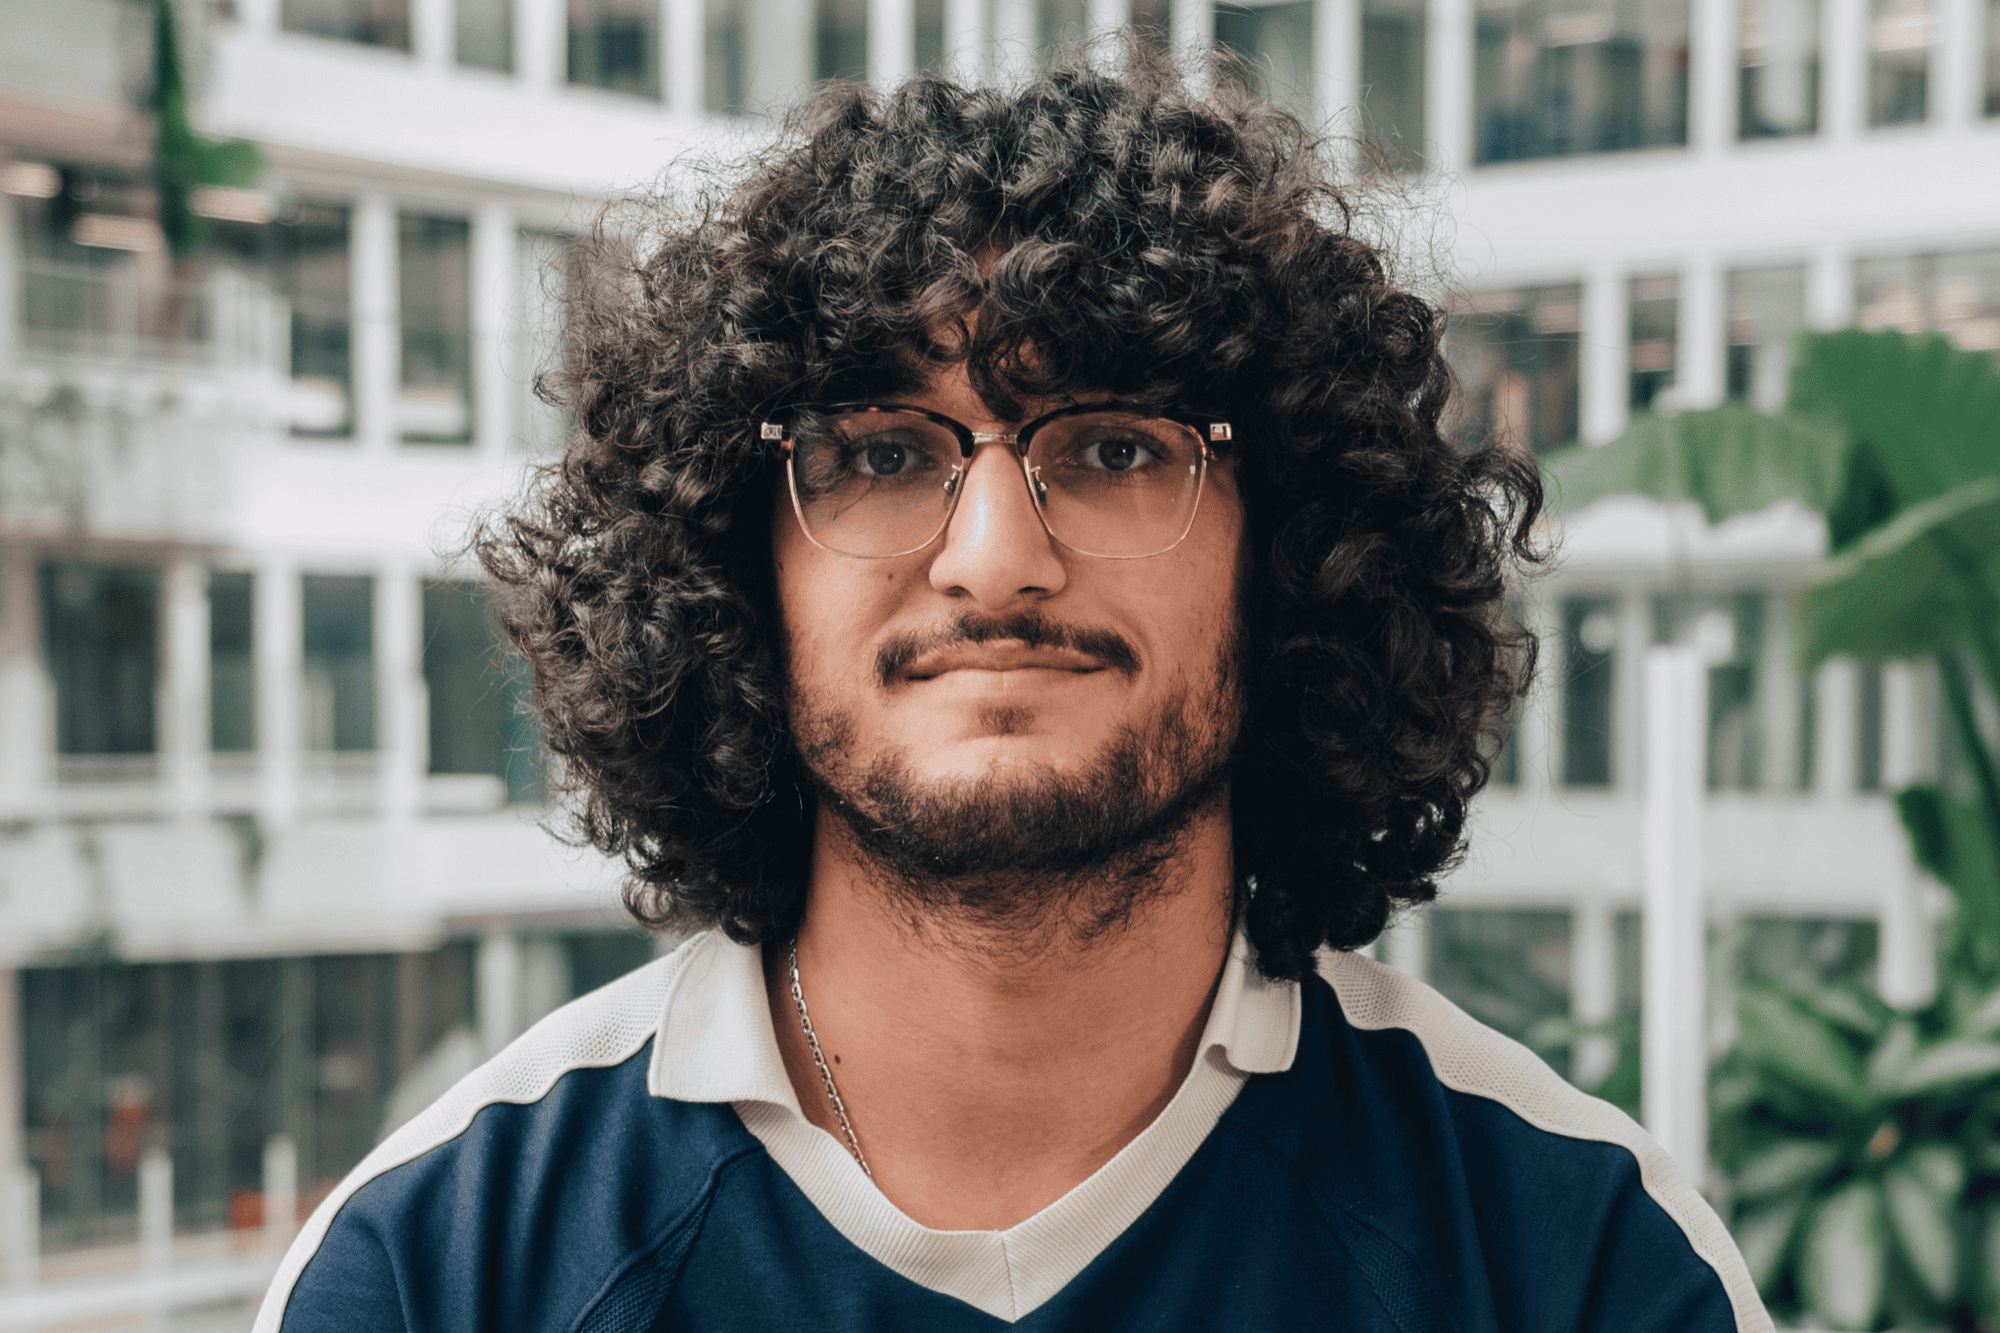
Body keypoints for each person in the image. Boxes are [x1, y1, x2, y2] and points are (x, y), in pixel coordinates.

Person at [257, 44, 1770, 1333]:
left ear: (1297, 553)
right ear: (735, 567)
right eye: (879, 453)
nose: (993, 561)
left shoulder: (1578, 1259)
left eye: (1116, 448)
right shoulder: (443, 1267)